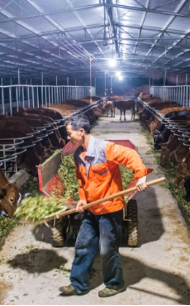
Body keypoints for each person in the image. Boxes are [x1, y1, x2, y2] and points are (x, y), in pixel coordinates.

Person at [59, 114, 152, 298]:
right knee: (83, 244)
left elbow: (130, 155)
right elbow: (81, 180)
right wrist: (83, 199)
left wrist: (141, 175)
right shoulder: (78, 154)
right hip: (92, 208)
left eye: (69, 133)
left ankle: (115, 283)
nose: (67, 137)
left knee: (108, 249)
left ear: (81, 131)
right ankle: (78, 284)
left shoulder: (104, 148)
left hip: (110, 209)